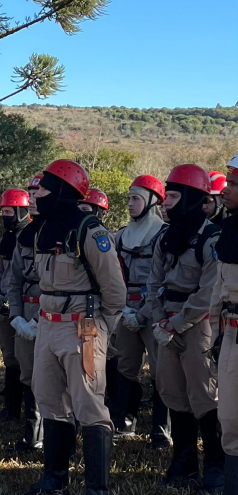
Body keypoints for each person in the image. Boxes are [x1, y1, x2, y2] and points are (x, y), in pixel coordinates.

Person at [22, 159, 125, 495]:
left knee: (89, 405)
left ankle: (98, 493)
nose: (36, 195)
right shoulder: (42, 230)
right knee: (48, 398)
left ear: (64, 192)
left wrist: (101, 330)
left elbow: (114, 290)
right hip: (48, 324)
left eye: (44, 189)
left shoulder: (89, 229)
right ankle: (55, 479)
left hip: (82, 326)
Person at [141, 164, 223, 494]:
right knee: (172, 390)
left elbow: (209, 290)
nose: (165, 202)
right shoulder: (165, 236)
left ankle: (215, 466)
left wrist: (175, 323)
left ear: (190, 198)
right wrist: (160, 318)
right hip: (167, 321)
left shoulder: (211, 237)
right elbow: (153, 280)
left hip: (197, 324)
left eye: (173, 196)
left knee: (203, 393)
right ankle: (184, 461)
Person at [111, 175, 170, 447]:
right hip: (125, 309)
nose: (130, 203)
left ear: (152, 200)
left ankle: (161, 430)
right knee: (125, 366)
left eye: (136, 198)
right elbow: (113, 275)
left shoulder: (164, 234)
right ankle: (125, 421)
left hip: (154, 309)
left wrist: (144, 313)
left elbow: (163, 280)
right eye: (128, 198)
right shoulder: (121, 235)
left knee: (160, 369)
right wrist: (123, 309)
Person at [7, 175, 46, 453]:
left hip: (52, 315)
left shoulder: (65, 233)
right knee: (28, 374)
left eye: (36, 194)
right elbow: (15, 280)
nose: (31, 200)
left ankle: (55, 436)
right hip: (25, 311)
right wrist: (17, 317)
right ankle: (32, 434)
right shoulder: (24, 236)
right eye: (29, 195)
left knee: (57, 378)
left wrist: (39, 317)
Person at [210, 153, 238, 495]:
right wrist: (216, 337)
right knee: (230, 422)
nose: (226, 189)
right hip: (232, 333)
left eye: (233, 183)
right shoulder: (230, 231)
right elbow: (220, 290)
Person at [0, 188, 29, 422]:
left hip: (26, 308)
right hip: (5, 307)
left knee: (27, 359)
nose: (6, 216)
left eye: (9, 211)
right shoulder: (6, 239)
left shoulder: (32, 236)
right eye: (4, 212)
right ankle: (12, 407)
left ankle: (32, 412)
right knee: (9, 357)